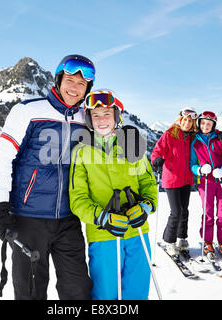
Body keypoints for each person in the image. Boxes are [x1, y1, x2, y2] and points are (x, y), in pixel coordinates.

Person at [0, 54, 95, 300]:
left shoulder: (86, 119)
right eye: (70, 80)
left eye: (82, 84)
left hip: (69, 219)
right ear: (58, 79)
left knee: (78, 290)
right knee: (31, 292)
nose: (75, 88)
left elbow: (107, 147)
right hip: (29, 219)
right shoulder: (28, 111)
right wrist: (1, 208)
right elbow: (3, 157)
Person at [69, 89, 158, 300]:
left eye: (107, 114)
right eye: (96, 115)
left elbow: (148, 183)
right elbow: (78, 199)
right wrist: (102, 217)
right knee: (106, 294)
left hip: (137, 231)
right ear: (89, 120)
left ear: (116, 116)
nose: (101, 120)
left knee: (137, 292)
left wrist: (145, 207)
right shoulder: (81, 152)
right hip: (103, 235)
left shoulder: (132, 143)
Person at [151, 108, 198, 256]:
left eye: (190, 121)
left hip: (186, 178)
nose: (187, 123)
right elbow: (157, 151)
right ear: (180, 120)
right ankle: (169, 241)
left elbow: (210, 134)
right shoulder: (169, 135)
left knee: (185, 211)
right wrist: (156, 159)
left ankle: (182, 238)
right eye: (185, 120)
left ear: (193, 123)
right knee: (176, 212)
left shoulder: (193, 137)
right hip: (171, 178)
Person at [189, 111, 222, 256]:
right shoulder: (195, 142)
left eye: (208, 124)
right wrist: (200, 170)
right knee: (207, 213)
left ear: (213, 125)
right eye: (202, 123)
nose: (205, 126)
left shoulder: (220, 139)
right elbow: (192, 164)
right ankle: (207, 241)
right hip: (206, 182)